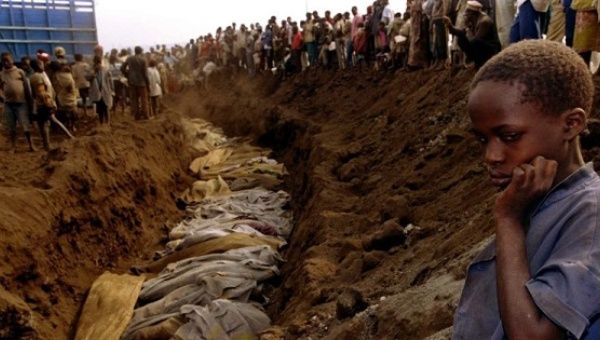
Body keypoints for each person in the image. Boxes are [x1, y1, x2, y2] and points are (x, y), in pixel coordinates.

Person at [453, 39, 600, 340]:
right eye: (483, 140)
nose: (491, 156)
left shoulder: (592, 215)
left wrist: (508, 220)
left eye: (509, 136)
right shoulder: (537, 197)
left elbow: (531, 335)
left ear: (571, 124)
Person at [443, 1, 501, 69]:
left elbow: (476, 40)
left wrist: (468, 31)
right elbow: (461, 32)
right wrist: (450, 26)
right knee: (461, 38)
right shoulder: (474, 19)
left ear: (473, 13)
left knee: (475, 42)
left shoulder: (484, 22)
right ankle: (475, 61)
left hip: (492, 50)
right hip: (482, 48)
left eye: (467, 14)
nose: (466, 16)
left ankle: (480, 63)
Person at [0, 52, 34, 152]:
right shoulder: (1, 74)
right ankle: (13, 146)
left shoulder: (20, 72)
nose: (6, 63)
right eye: (3, 61)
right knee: (11, 127)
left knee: (25, 126)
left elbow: (27, 88)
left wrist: (29, 101)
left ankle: (31, 144)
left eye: (7, 60)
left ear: (12, 60)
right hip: (9, 104)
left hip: (21, 103)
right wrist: (3, 96)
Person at [29, 60, 56, 151]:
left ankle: (46, 144)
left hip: (42, 103)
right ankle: (47, 145)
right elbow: (41, 92)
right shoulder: (37, 77)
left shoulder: (39, 75)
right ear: (37, 66)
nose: (43, 65)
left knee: (44, 124)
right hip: (44, 103)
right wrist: (49, 104)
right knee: (45, 124)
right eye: (40, 64)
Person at [121, 46, 149, 120]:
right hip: (141, 82)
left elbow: (122, 68)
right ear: (141, 52)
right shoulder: (143, 60)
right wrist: (147, 83)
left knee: (134, 99)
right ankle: (146, 115)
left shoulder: (129, 58)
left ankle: (137, 115)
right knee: (144, 99)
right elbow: (145, 74)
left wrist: (127, 75)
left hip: (132, 82)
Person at [53, 62, 78, 133]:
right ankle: (72, 126)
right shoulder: (69, 76)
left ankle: (65, 126)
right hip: (70, 98)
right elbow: (72, 89)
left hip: (61, 98)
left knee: (62, 114)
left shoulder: (56, 76)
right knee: (73, 113)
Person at [89, 55, 113, 125]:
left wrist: (111, 89)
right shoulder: (92, 70)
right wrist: (94, 73)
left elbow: (110, 80)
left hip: (104, 92)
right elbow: (87, 78)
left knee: (105, 107)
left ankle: (107, 123)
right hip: (97, 93)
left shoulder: (106, 70)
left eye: (98, 63)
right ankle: (102, 123)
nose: (98, 64)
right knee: (100, 109)